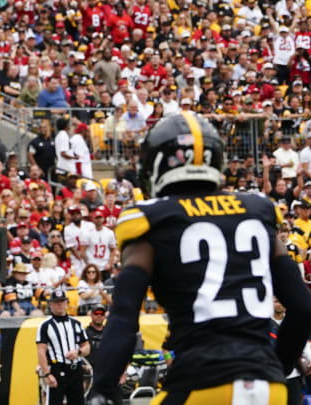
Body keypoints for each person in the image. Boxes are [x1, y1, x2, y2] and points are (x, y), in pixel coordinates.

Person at [87, 112, 311, 405]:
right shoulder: (257, 209)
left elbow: (124, 315)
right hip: (269, 388)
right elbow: (303, 307)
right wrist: (275, 369)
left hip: (200, 381)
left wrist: (102, 388)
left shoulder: (148, 218)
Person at [36, 289, 90, 405]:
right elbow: (41, 351)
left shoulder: (76, 323)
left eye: (62, 301)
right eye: (56, 302)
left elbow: (87, 347)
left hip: (75, 369)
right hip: (57, 369)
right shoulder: (45, 325)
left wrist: (78, 352)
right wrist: (47, 374)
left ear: (66, 302)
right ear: (51, 304)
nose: (60, 304)